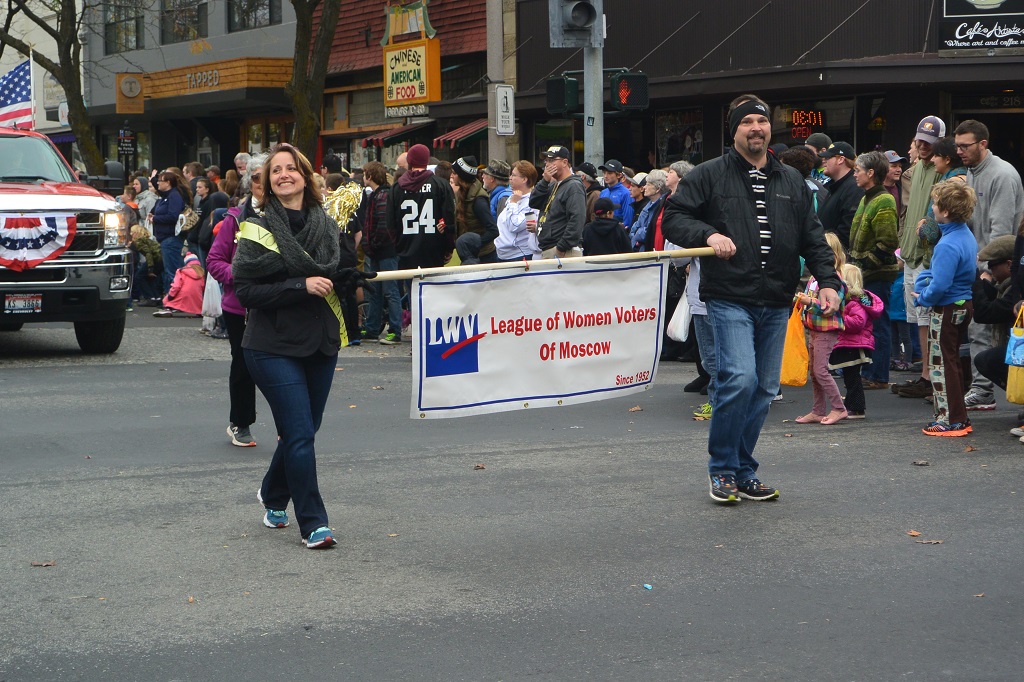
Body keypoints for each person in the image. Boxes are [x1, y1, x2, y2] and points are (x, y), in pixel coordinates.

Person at [663, 93, 842, 504]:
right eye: (748, 123)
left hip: (777, 298)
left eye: (762, 122)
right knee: (738, 379)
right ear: (735, 131)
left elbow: (812, 236)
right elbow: (674, 217)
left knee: (763, 387)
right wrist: (708, 235)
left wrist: (828, 281)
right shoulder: (709, 174)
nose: (756, 129)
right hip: (729, 296)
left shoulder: (792, 180)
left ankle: (743, 469)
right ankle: (722, 469)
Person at [232, 143, 363, 550]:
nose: (284, 175)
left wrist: (351, 278)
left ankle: (273, 494)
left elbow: (336, 273)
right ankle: (314, 524)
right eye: (276, 171)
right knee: (301, 433)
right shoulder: (257, 227)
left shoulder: (326, 224)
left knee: (301, 432)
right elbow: (246, 290)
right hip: (271, 345)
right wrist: (299, 285)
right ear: (268, 182)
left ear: (305, 176)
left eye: (291, 168)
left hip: (320, 342)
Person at [955, 119, 1024, 412]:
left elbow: (1001, 229)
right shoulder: (972, 173)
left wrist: (986, 270)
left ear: (983, 144)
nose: (959, 151)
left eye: (965, 146)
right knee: (982, 330)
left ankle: (984, 390)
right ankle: (986, 388)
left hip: (1000, 266)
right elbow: (973, 221)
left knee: (988, 329)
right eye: (957, 145)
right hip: (983, 263)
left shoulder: (1002, 175)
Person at [206, 151, 267, 448]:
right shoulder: (234, 218)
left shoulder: (288, 217)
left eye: (267, 177)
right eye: (257, 178)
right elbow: (215, 260)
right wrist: (239, 276)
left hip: (275, 303)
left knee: (278, 365)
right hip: (239, 306)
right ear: (248, 182)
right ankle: (240, 422)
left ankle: (289, 423)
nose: (263, 183)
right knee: (243, 364)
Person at [913, 180, 979, 436]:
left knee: (941, 363)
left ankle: (950, 420)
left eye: (935, 204)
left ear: (946, 211)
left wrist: (922, 297)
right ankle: (958, 416)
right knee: (953, 361)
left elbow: (940, 285)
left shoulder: (947, 244)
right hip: (964, 304)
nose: (932, 207)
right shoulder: (965, 234)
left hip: (948, 307)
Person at [894, 116, 946, 401]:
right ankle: (925, 374)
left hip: (928, 255)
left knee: (928, 317)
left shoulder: (942, 171)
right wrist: (903, 245)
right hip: (911, 254)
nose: (923, 145)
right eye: (920, 140)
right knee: (918, 319)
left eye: (929, 141)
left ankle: (930, 376)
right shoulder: (915, 171)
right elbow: (906, 213)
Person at [848, 151, 900, 390]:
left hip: (876, 275)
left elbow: (887, 243)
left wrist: (863, 265)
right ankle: (870, 371)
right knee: (869, 325)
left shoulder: (884, 200)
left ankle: (878, 375)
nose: (855, 173)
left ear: (871, 173)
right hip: (864, 274)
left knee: (879, 325)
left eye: (858, 170)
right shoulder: (866, 197)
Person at [794, 232, 849, 425]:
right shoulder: (813, 279)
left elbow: (829, 308)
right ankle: (818, 410)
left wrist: (809, 302)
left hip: (827, 329)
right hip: (814, 328)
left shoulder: (837, 281)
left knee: (821, 370)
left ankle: (839, 408)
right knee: (814, 371)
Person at [389, 143, 456, 273]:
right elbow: (449, 219)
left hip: (406, 250)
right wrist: (449, 247)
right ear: (427, 161)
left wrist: (398, 247)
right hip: (434, 249)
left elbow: (391, 224)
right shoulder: (441, 185)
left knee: (411, 290)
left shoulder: (397, 188)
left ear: (410, 161)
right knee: (434, 291)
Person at [830, 263, 884, 419]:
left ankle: (857, 407)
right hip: (851, 343)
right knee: (850, 377)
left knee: (853, 378)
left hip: (854, 344)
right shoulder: (853, 301)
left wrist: (838, 319)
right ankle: (853, 405)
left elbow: (857, 322)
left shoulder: (854, 302)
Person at [971, 235, 1020, 407]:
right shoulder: (1008, 287)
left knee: (988, 360)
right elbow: (994, 299)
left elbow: (986, 312)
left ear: (1009, 264)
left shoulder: (1017, 291)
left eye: (992, 265)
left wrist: (975, 280)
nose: (990, 270)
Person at [360, 160, 403, 344]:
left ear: (369, 176)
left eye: (364, 174)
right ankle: (372, 328)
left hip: (384, 251)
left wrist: (372, 244)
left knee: (390, 291)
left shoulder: (382, 196)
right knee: (376, 291)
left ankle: (395, 329)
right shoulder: (379, 194)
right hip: (379, 251)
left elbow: (383, 226)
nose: (362, 177)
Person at [530, 146, 586, 259]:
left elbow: (577, 219)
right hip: (549, 248)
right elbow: (534, 202)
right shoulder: (552, 185)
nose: (547, 164)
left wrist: (562, 247)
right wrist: (544, 181)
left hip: (563, 251)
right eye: (546, 161)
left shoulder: (573, 186)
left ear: (565, 162)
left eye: (551, 160)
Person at [151, 171, 192, 295]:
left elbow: (173, 216)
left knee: (172, 271)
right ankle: (171, 298)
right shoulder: (166, 196)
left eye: (160, 181)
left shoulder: (174, 196)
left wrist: (155, 219)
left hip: (171, 238)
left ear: (168, 183)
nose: (157, 183)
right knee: (169, 270)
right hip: (164, 239)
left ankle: (174, 300)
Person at [452, 156, 499, 265]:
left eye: (455, 173)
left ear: (462, 176)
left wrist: (474, 244)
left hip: (484, 257)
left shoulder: (478, 200)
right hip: (471, 255)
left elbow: (493, 231)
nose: (452, 175)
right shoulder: (462, 193)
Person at [817, 142, 863, 247]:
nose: (824, 161)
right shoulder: (834, 187)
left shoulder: (854, 188)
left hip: (839, 257)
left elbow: (847, 231)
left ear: (841, 159)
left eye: (828, 157)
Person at [494, 160, 541, 261]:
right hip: (503, 254)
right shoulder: (512, 197)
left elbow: (514, 226)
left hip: (518, 255)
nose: (510, 178)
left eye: (514, 175)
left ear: (524, 179)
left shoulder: (531, 203)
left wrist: (513, 203)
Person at [779, 146, 830, 213]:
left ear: (792, 169)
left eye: (782, 167)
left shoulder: (801, 191)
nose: (779, 171)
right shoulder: (820, 188)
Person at [154, 252, 205, 317]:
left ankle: (168, 308)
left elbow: (176, 286)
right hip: (197, 298)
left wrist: (170, 296)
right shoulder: (201, 273)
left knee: (168, 299)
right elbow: (203, 287)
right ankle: (199, 311)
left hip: (183, 296)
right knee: (196, 301)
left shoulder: (181, 271)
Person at [629, 169, 669, 251]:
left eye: (648, 184)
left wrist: (638, 234)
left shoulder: (664, 206)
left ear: (657, 189)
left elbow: (650, 231)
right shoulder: (648, 205)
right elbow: (634, 227)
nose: (644, 187)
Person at [128, 224, 162, 305]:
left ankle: (149, 297)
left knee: (139, 276)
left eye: (132, 232)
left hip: (155, 259)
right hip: (161, 259)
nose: (130, 234)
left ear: (136, 233)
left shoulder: (139, 241)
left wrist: (150, 269)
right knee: (150, 279)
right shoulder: (147, 240)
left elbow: (148, 253)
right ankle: (156, 297)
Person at [598, 159, 634, 228]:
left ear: (619, 175)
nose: (606, 176)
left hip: (618, 233)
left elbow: (628, 220)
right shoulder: (603, 192)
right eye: (604, 172)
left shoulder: (626, 193)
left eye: (609, 173)